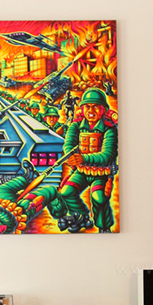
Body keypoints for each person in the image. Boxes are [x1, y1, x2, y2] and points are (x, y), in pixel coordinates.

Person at [57, 88, 118, 233]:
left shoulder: (109, 128)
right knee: (66, 192)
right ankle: (81, 216)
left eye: (95, 106)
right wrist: (70, 156)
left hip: (101, 173)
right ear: (82, 108)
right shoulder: (76, 125)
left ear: (103, 109)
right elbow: (69, 144)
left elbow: (107, 155)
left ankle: (103, 226)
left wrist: (82, 158)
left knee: (99, 198)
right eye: (87, 106)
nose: (91, 111)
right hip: (81, 171)